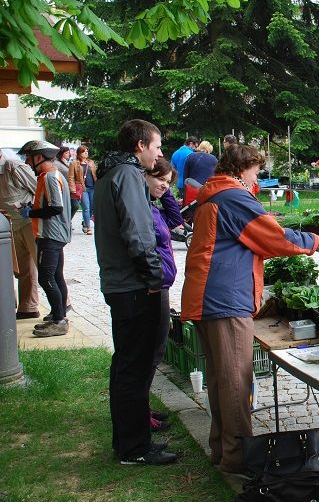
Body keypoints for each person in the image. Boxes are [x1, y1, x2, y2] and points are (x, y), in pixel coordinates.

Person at [181, 144, 319, 475]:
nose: (257, 177)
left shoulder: (214, 193)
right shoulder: (232, 195)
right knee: (236, 380)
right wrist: (311, 242)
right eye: (256, 171)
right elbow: (271, 237)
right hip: (224, 299)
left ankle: (221, 449)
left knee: (221, 379)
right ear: (241, 169)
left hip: (208, 296)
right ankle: (237, 457)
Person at [95, 119, 175, 465]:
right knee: (134, 368)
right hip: (135, 287)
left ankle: (129, 441)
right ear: (140, 145)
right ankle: (134, 449)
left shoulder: (111, 173)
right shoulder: (127, 175)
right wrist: (154, 276)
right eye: (156, 146)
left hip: (122, 284)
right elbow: (138, 233)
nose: (159, 152)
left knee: (128, 366)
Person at [143, 158, 183, 432]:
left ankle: (142, 407)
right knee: (149, 351)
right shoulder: (141, 207)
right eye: (160, 180)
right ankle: (140, 412)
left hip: (162, 286)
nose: (164, 186)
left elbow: (176, 219)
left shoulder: (153, 205)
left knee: (156, 348)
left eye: (169, 182)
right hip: (153, 287)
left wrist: (164, 189)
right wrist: (155, 278)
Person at [18, 140, 73, 337]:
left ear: (39, 157)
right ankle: (58, 313)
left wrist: (29, 213)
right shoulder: (50, 175)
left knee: (46, 277)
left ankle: (59, 321)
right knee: (56, 275)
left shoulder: (50, 177)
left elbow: (55, 208)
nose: (27, 162)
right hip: (54, 234)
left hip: (51, 234)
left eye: (29, 158)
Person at [0, 147, 40, 319]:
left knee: (44, 266)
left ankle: (61, 309)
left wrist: (28, 209)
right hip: (10, 225)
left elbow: (39, 191)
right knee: (23, 268)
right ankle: (28, 307)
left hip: (29, 222)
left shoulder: (14, 167)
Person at [68, 146, 97, 235]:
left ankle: (85, 223)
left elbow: (95, 175)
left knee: (92, 208)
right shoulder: (74, 163)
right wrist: (72, 189)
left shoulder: (91, 162)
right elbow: (71, 177)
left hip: (92, 187)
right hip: (82, 188)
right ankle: (88, 227)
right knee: (86, 208)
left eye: (87, 151)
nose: (86, 153)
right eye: (84, 151)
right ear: (79, 153)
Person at [55, 146, 80, 219]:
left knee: (75, 206)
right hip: (63, 188)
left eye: (68, 152)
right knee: (72, 206)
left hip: (69, 187)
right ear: (61, 153)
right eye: (66, 153)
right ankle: (66, 222)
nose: (68, 154)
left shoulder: (66, 162)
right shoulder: (56, 163)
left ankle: (68, 221)